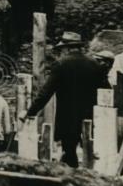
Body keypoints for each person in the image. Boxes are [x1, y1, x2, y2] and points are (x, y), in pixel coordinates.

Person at [24, 32, 107, 167]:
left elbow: (45, 93)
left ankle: (72, 177)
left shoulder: (61, 65)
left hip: (68, 116)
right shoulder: (94, 64)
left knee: (69, 152)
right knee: (92, 150)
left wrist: (31, 112)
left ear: (66, 48)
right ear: (78, 47)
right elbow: (105, 90)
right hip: (90, 115)